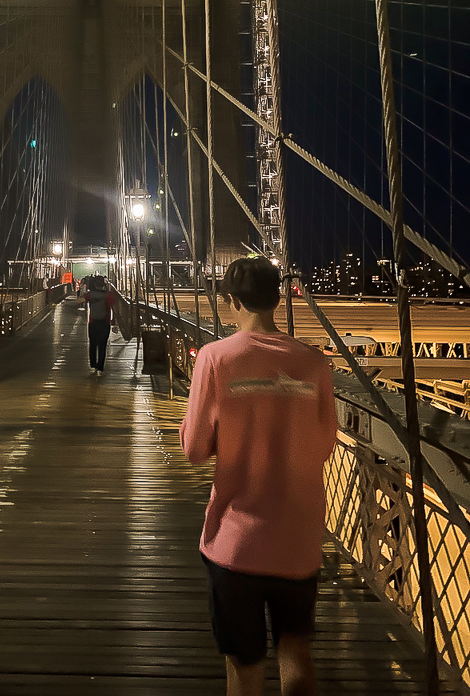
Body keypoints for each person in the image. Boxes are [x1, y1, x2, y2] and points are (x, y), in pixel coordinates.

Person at [180, 256, 338, 696]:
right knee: (295, 655)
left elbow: (194, 451)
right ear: (277, 298)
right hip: (299, 541)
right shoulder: (314, 363)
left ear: (232, 302)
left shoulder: (215, 358)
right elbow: (324, 445)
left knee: (245, 668)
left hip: (237, 545)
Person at [84, 274, 115, 377]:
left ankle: (93, 363)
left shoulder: (90, 295)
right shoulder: (108, 295)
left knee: (93, 344)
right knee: (102, 346)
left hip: (93, 323)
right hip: (105, 323)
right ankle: (100, 366)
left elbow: (83, 297)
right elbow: (113, 304)